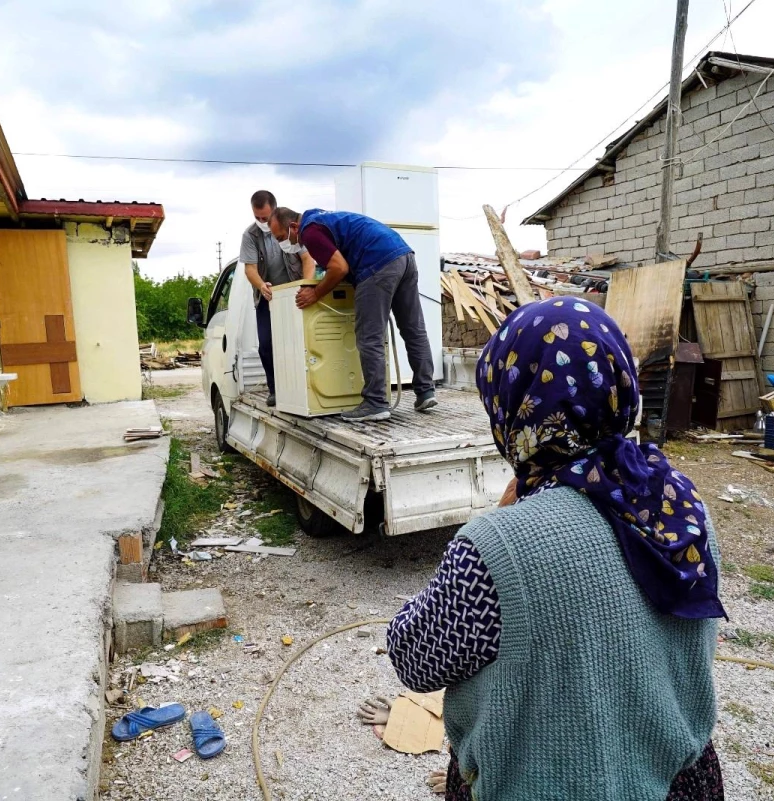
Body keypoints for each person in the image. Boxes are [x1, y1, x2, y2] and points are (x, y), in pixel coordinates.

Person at [386, 298, 726, 801]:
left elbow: (414, 658)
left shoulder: (494, 548)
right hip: (683, 784)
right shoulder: (678, 503)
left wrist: (501, 520)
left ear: (512, 403)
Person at [268, 207, 436, 423]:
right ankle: (425, 392)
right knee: (413, 329)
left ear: (293, 227)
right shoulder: (322, 216)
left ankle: (375, 403)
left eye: (281, 237)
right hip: (404, 254)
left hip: (377, 263)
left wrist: (316, 293)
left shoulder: (309, 231)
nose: (283, 243)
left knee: (369, 336)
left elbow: (339, 267)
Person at [238, 191, 315, 407]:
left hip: (296, 292)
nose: (262, 222)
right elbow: (250, 269)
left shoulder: (291, 227)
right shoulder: (250, 236)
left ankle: (306, 388)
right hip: (269, 296)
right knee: (266, 344)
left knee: (301, 342)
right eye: (257, 218)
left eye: (265, 217)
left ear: (275, 210)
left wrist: (306, 286)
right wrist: (262, 285)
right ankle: (275, 389)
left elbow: (308, 259)